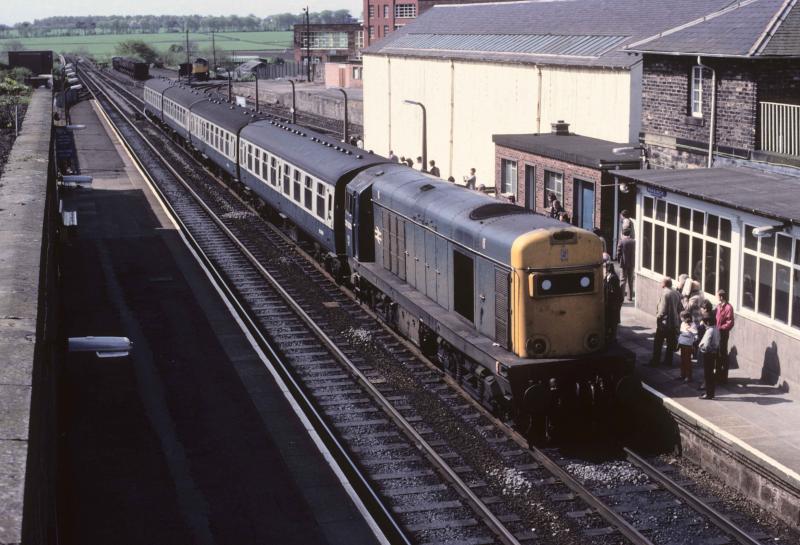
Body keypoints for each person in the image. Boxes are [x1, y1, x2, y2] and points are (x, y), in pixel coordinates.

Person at [651, 277, 682, 366]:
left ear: (664, 284)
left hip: (664, 324)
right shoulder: (676, 293)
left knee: (658, 342)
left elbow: (663, 310)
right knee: (670, 343)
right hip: (674, 322)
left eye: (661, 282)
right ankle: (668, 361)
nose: (661, 284)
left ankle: (655, 361)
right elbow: (680, 308)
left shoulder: (665, 294)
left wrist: (658, 317)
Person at [698, 315, 720, 399]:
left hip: (708, 353)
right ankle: (711, 393)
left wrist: (702, 348)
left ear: (707, 323)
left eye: (704, 323)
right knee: (711, 374)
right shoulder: (716, 329)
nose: (704, 325)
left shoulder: (709, 331)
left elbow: (706, 344)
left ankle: (708, 394)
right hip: (714, 352)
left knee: (707, 375)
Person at [715, 289, 734, 384]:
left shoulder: (728, 308)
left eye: (717, 295)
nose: (716, 297)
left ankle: (723, 376)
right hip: (718, 332)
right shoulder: (718, 306)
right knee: (718, 354)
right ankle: (718, 374)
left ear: (721, 297)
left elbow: (730, 323)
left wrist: (721, 328)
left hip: (723, 333)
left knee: (722, 353)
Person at [604, 263, 623, 343]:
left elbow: (615, 292)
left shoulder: (613, 278)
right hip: (608, 304)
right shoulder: (607, 277)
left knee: (613, 321)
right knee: (608, 320)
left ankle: (613, 337)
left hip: (613, 304)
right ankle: (610, 336)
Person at [616, 228, 635, 301]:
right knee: (631, 280)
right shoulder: (634, 241)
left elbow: (618, 253)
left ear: (623, 234)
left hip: (624, 264)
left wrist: (619, 261)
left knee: (623, 280)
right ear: (629, 234)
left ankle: (621, 296)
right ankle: (630, 297)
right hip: (632, 263)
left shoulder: (621, 242)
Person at [677, 311, 696, 382]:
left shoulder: (692, 324)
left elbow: (695, 333)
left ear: (686, 318)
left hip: (688, 345)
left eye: (682, 318)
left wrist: (689, 329)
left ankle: (689, 376)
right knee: (682, 360)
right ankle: (682, 375)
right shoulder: (682, 323)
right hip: (682, 344)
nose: (681, 319)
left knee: (687, 360)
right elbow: (681, 332)